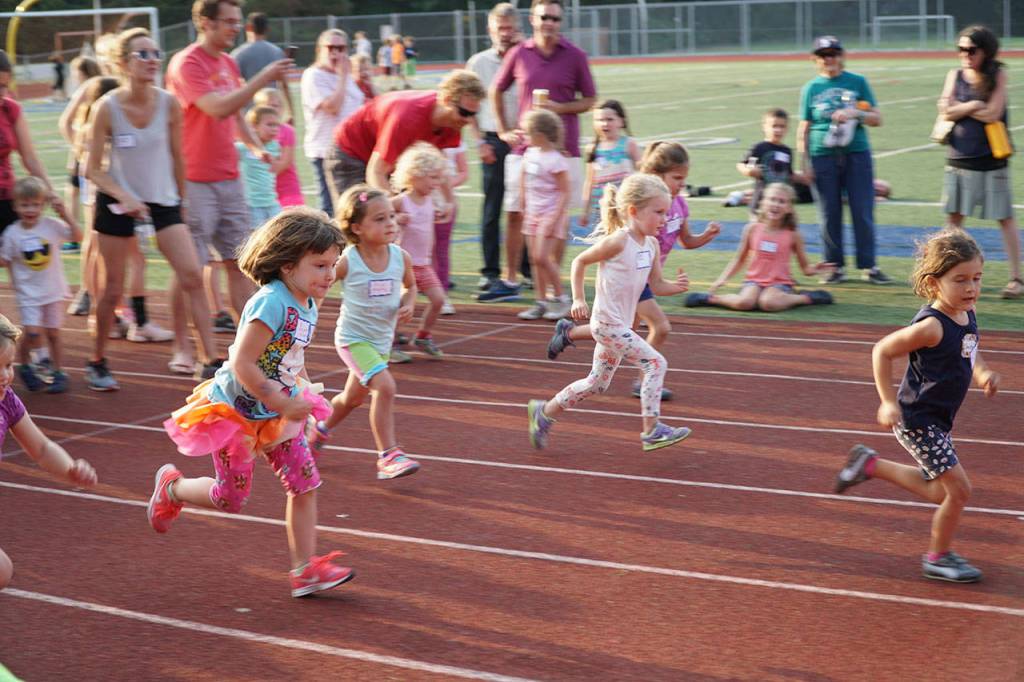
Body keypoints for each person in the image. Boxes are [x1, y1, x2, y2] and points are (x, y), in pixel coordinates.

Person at [151, 207, 355, 598]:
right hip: (238, 413)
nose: (330, 275)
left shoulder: (308, 300)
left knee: (305, 482)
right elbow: (244, 363)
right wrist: (281, 400)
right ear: (286, 264)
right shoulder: (270, 303)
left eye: (333, 264)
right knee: (230, 500)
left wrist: (304, 395)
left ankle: (304, 570)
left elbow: (290, 356)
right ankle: (172, 489)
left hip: (277, 410)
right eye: (319, 265)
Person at [834, 229, 1000, 583]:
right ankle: (938, 556)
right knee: (959, 491)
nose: (971, 288)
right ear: (933, 282)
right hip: (918, 421)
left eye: (977, 278)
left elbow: (970, 348)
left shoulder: (965, 312)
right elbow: (882, 350)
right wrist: (886, 402)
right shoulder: (931, 326)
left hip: (938, 421)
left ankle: (870, 464)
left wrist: (983, 373)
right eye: (960, 280)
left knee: (939, 490)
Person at [86, 28, 220, 390]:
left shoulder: (168, 103)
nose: (152, 60)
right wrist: (124, 197)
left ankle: (209, 360)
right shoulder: (107, 107)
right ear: (123, 63)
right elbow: (92, 168)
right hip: (116, 203)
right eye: (142, 54)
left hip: (163, 201)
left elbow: (178, 156)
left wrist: (182, 201)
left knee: (192, 275)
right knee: (112, 288)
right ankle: (97, 361)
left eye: (155, 53)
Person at [527, 173, 692, 452]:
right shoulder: (619, 241)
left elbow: (656, 285)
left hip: (622, 326)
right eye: (659, 212)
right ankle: (651, 430)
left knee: (597, 383)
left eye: (666, 212)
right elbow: (580, 262)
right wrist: (578, 299)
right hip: (607, 324)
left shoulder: (650, 245)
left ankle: (544, 412)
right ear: (633, 211)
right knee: (655, 364)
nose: (664, 219)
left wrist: (676, 288)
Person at [547, 141, 720, 401]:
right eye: (676, 178)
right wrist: (579, 297)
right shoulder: (645, 208)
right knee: (660, 328)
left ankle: (569, 333)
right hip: (634, 276)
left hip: (647, 275)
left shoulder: (680, 207)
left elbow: (687, 241)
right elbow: (588, 258)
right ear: (657, 176)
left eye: (684, 179)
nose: (681, 184)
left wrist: (706, 236)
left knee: (624, 331)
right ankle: (644, 381)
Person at [166, 0, 293, 331]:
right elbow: (217, 108)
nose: (236, 28)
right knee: (190, 269)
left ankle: (246, 346)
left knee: (239, 263)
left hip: (230, 178)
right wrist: (264, 76)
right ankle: (183, 346)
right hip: (194, 179)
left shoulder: (227, 62)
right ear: (206, 23)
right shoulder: (187, 64)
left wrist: (255, 146)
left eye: (238, 22)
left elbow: (236, 114)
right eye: (229, 22)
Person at [313, 184, 421, 481]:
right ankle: (388, 455)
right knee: (385, 387)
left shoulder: (401, 257)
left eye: (391, 216)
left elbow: (410, 286)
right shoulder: (348, 261)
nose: (390, 224)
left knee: (351, 399)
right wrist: (309, 312)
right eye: (380, 219)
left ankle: (318, 430)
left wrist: (408, 303)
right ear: (357, 228)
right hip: (353, 339)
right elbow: (322, 283)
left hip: (380, 342)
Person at [492, 0, 597, 264]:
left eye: (555, 19)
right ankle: (512, 277)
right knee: (516, 211)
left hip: (564, 147)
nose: (549, 23)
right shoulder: (519, 52)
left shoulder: (575, 55)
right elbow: (496, 89)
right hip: (524, 147)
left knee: (559, 220)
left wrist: (560, 108)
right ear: (532, 19)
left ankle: (551, 285)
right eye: (544, 17)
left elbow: (590, 99)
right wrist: (503, 130)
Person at [0, 314, 98, 592]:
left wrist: (70, 469)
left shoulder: (8, 402)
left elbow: (41, 448)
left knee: (2, 572)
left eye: (8, 365)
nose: (5, 375)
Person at [797, 35, 891, 286]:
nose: (830, 59)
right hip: (821, 155)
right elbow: (804, 126)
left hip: (856, 153)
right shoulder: (811, 88)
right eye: (824, 55)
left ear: (842, 56)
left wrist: (856, 113)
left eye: (834, 54)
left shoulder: (858, 82)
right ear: (815, 60)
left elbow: (877, 118)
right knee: (828, 212)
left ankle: (869, 265)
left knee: (862, 209)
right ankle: (834, 265)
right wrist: (803, 163)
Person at [938, 25, 1021, 300]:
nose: (965, 55)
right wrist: (974, 106)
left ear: (985, 51)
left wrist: (962, 109)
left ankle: (1016, 279)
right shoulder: (955, 75)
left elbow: (994, 113)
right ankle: (947, 275)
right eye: (961, 49)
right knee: (954, 220)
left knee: (1005, 218)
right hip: (959, 156)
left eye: (970, 50)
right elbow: (945, 110)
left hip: (991, 158)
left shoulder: (997, 74)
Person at [326, 69, 484, 198]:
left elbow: (436, 165)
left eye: (473, 114)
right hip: (351, 153)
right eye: (464, 112)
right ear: (448, 100)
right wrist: (393, 208)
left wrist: (450, 202)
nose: (469, 120)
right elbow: (376, 171)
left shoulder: (452, 121)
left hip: (384, 158)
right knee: (358, 221)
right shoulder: (407, 118)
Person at [684, 183, 835, 311]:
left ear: (789, 208)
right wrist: (722, 279)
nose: (776, 204)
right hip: (753, 282)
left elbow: (805, 269)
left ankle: (805, 297)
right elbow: (739, 259)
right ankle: (710, 299)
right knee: (745, 302)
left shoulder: (793, 235)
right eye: (772, 200)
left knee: (768, 303)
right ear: (763, 203)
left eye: (782, 201)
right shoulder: (752, 229)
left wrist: (816, 269)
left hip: (780, 284)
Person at [467, 3, 526, 301]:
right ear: (490, 30)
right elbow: (468, 108)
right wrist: (480, 142)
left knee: (527, 209)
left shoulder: (529, 57)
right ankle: (490, 271)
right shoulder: (478, 63)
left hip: (526, 139)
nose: (505, 33)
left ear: (519, 28)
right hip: (493, 139)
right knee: (493, 209)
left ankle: (524, 268)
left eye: (510, 27)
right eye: (499, 28)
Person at [0, 177, 81, 393]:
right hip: (28, 294)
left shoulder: (52, 226)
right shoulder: (12, 233)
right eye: (25, 204)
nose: (30, 209)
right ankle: (26, 364)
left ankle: (58, 371)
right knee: (33, 333)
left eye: (36, 204)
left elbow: (78, 236)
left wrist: (65, 214)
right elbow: (4, 259)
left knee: (53, 333)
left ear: (43, 205)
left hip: (52, 290)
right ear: (15, 205)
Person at [391, 143, 449, 359]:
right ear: (415, 175)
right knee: (401, 306)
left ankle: (423, 336)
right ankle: (387, 344)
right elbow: (377, 213)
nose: (437, 183)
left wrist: (438, 213)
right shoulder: (401, 200)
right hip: (402, 264)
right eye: (433, 178)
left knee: (438, 300)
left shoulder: (429, 201)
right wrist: (396, 219)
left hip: (423, 264)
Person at [0, 50, 62, 238]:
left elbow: (29, 158)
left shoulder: (10, 109)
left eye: (3, 86)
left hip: (6, 198)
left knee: (22, 264)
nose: (0, 92)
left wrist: (50, 192)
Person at [516, 109, 571, 321]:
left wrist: (555, 218)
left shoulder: (556, 160)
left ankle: (560, 297)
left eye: (527, 133)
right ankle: (540, 302)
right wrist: (522, 200)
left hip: (550, 213)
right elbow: (523, 177)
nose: (525, 137)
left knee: (542, 256)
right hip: (533, 211)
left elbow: (565, 192)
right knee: (533, 259)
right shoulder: (530, 154)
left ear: (539, 134)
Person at [301, 29, 362, 215]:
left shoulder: (344, 75)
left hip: (351, 150)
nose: (336, 53)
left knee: (355, 206)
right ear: (320, 50)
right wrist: (343, 76)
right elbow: (333, 107)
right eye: (331, 48)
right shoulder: (314, 75)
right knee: (331, 208)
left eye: (341, 48)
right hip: (326, 150)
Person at [735, 108, 810, 213]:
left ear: (787, 129)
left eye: (782, 126)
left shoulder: (787, 151)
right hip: (762, 201)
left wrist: (803, 178)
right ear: (765, 127)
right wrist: (750, 170)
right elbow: (745, 164)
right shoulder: (760, 148)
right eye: (774, 126)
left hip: (780, 201)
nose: (778, 130)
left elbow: (788, 174)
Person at [580, 99, 640, 230]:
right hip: (601, 207)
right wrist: (585, 210)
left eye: (610, 119)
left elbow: (642, 172)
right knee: (605, 241)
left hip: (625, 205)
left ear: (621, 121)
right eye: (599, 120)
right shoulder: (593, 148)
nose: (604, 124)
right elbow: (589, 182)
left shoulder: (629, 144)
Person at [229, 11, 295, 123]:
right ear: (267, 29)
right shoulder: (277, 52)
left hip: (250, 113)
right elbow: (284, 84)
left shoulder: (238, 54)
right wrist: (291, 112)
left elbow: (232, 86)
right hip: (272, 112)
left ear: (248, 27)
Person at [253, 87, 303, 208]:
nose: (273, 110)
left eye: (277, 106)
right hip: (260, 192)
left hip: (286, 188)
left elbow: (285, 162)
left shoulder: (287, 131)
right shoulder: (251, 133)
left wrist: (263, 177)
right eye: (268, 106)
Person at [236, 105, 283, 225]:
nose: (274, 129)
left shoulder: (274, 146)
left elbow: (274, 170)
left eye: (276, 125)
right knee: (256, 236)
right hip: (252, 204)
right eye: (269, 125)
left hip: (271, 201)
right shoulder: (243, 148)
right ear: (254, 126)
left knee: (279, 231)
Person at [435, 140, 467, 314]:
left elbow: (463, 172)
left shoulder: (454, 142)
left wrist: (446, 192)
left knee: (440, 251)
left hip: (442, 202)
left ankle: (442, 296)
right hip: (419, 201)